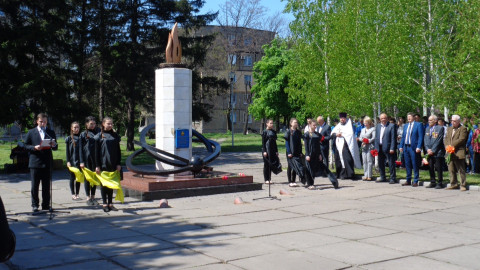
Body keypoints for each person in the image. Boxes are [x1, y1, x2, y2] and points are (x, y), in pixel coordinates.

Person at [24, 113, 58, 212]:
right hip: (35, 162)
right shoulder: (31, 132)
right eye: (41, 121)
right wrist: (34, 147)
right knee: (35, 185)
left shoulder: (50, 132)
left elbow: (55, 147)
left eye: (45, 122)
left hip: (47, 162)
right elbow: (25, 145)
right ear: (37, 121)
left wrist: (53, 144)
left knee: (46, 185)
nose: (43, 123)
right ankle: (35, 205)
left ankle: (46, 205)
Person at [95, 117, 122, 212]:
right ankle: (104, 203)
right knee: (104, 184)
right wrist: (97, 165)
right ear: (103, 124)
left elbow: (118, 151)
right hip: (103, 164)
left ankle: (110, 203)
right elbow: (96, 152)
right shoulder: (99, 136)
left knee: (111, 184)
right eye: (108, 124)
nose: (110, 125)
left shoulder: (115, 136)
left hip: (113, 163)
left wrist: (118, 163)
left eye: (111, 124)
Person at [305, 120, 339, 190]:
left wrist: (333, 135)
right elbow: (306, 146)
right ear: (310, 125)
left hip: (316, 154)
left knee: (324, 168)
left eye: (315, 125)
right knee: (309, 170)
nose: (315, 127)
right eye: (313, 125)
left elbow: (324, 140)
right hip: (310, 155)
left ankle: (334, 181)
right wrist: (307, 155)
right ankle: (310, 184)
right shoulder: (307, 134)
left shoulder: (317, 134)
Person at [331, 112, 362, 180]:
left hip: (346, 145)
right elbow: (332, 133)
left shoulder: (349, 125)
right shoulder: (338, 125)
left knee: (347, 159)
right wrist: (336, 135)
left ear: (345, 118)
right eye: (341, 118)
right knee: (338, 159)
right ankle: (340, 174)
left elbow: (350, 135)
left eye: (343, 118)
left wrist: (342, 135)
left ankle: (349, 174)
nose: (342, 119)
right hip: (338, 144)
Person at [79, 116, 101, 206]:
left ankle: (93, 196)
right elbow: (80, 148)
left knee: (94, 178)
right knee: (87, 178)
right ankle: (88, 197)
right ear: (86, 124)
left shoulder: (98, 132)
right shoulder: (83, 134)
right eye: (91, 124)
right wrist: (81, 161)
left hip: (96, 158)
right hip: (86, 159)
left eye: (94, 124)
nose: (93, 125)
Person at [399, 112, 424, 187]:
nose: (408, 118)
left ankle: (415, 180)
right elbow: (403, 136)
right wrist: (401, 146)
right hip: (406, 147)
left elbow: (420, 137)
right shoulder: (406, 125)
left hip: (414, 147)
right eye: (407, 117)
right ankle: (408, 179)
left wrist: (419, 147)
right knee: (407, 164)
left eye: (410, 117)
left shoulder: (418, 125)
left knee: (415, 164)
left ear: (413, 117)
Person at [444, 115, 468, 191]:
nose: (452, 122)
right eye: (452, 121)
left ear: (459, 121)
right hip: (449, 152)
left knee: (461, 169)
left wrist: (452, 145)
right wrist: (447, 146)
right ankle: (453, 184)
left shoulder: (463, 129)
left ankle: (463, 184)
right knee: (451, 169)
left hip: (458, 152)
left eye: (454, 121)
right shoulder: (449, 129)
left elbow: (462, 139)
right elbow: (446, 138)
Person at [374, 113, 397, 183]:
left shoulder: (391, 126)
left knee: (391, 163)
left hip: (388, 147)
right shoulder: (378, 126)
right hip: (379, 147)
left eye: (384, 118)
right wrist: (376, 148)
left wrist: (392, 148)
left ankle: (392, 178)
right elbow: (376, 137)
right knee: (380, 163)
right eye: (381, 118)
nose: (383, 120)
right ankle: (382, 177)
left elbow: (393, 138)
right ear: (380, 119)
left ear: (387, 119)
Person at [424, 115, 445, 189]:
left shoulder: (440, 128)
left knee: (438, 167)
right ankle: (432, 181)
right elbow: (425, 140)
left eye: (431, 120)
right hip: (429, 151)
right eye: (429, 120)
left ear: (435, 121)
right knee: (430, 167)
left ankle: (440, 182)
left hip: (437, 152)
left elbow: (438, 140)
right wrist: (427, 149)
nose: (429, 122)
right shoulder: (427, 129)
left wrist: (433, 150)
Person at [284, 118, 305, 187]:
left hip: (297, 152)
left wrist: (300, 152)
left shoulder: (298, 132)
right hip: (290, 152)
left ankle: (294, 180)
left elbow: (299, 143)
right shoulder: (288, 132)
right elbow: (287, 143)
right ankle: (290, 181)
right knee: (290, 166)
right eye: (294, 122)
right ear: (291, 123)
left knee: (296, 166)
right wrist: (289, 152)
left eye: (296, 122)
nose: (296, 124)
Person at [66, 121, 82, 200]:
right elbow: (67, 152)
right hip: (72, 161)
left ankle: (77, 193)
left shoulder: (81, 137)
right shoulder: (69, 138)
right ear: (72, 128)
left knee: (78, 178)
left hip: (79, 161)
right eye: (75, 127)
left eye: (78, 127)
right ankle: (73, 194)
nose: (76, 129)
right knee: (72, 178)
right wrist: (68, 161)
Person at [262, 119, 281, 184]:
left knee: (271, 164)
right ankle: (266, 179)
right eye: (270, 123)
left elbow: (275, 142)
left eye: (272, 123)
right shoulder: (264, 132)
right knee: (266, 164)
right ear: (267, 124)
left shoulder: (273, 132)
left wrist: (276, 151)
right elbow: (263, 142)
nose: (272, 124)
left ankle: (269, 178)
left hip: (272, 150)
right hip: (266, 150)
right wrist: (264, 151)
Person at [359, 116, 375, 181]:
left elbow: (373, 138)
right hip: (364, 146)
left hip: (370, 146)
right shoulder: (362, 130)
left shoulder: (373, 129)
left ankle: (369, 175)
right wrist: (362, 140)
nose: (365, 124)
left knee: (369, 160)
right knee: (364, 161)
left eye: (367, 123)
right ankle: (365, 174)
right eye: (364, 123)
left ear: (369, 123)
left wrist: (367, 141)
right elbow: (360, 137)